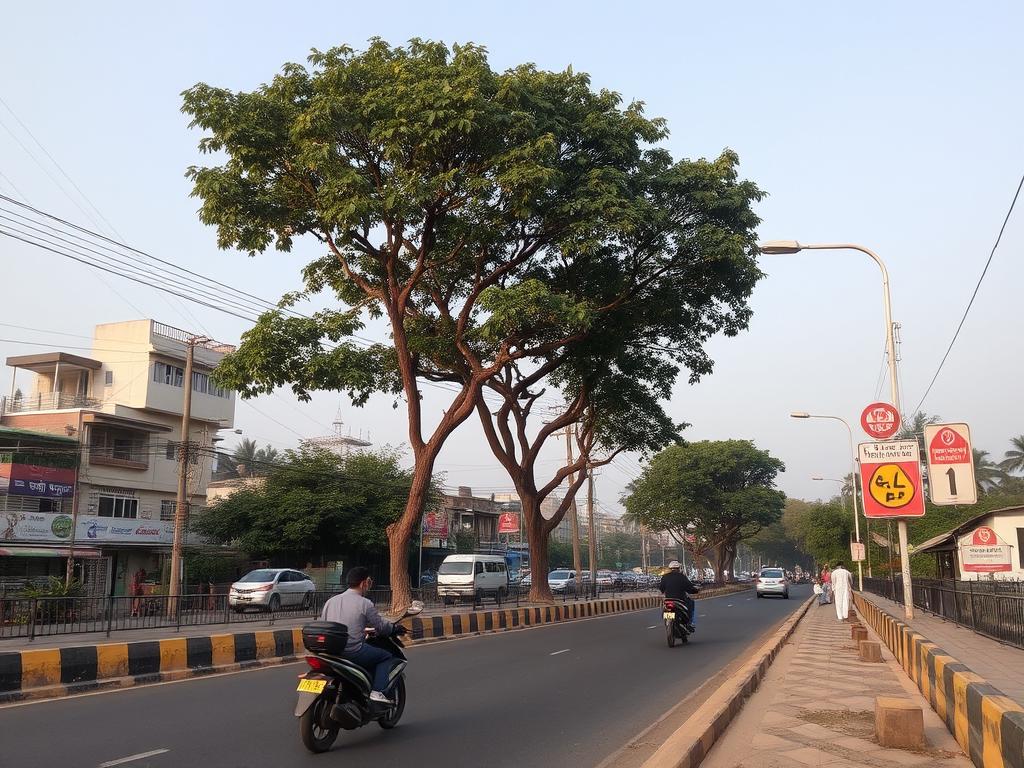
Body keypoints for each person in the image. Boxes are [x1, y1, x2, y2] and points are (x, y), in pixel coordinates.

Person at [319, 566, 406, 704]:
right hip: (352, 651)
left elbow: (328, 625)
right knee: (386, 657)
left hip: (330, 651)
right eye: (369, 582)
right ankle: (378, 692)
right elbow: (381, 626)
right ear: (364, 583)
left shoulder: (331, 601)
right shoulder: (365, 603)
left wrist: (362, 630)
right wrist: (394, 628)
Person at [659, 560, 700, 632]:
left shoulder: (665, 577)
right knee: (691, 602)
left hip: (668, 600)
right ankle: (691, 622)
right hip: (680, 600)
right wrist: (696, 590)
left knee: (664, 609)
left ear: (670, 568)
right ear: (678, 568)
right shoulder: (682, 577)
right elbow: (690, 588)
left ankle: (668, 622)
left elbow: (661, 588)